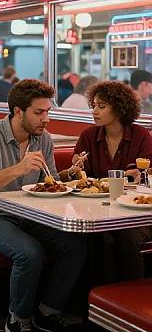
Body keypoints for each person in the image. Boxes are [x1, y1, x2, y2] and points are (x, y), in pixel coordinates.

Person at [0, 79, 86, 332]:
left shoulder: (44, 139)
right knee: (30, 253)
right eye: (39, 112)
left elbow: (48, 180)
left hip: (28, 216)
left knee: (75, 246)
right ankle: (17, 319)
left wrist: (68, 176)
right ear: (18, 111)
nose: (46, 119)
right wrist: (17, 169)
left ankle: (47, 311)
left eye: (48, 112)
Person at [65, 80, 152, 281]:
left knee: (126, 236)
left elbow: (147, 172)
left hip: (136, 210)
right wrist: (75, 170)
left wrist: (140, 175)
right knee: (93, 236)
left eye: (101, 107)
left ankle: (129, 297)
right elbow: (77, 178)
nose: (94, 111)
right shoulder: (88, 136)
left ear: (120, 108)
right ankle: (94, 297)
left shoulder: (140, 135)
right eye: (93, 106)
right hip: (98, 209)